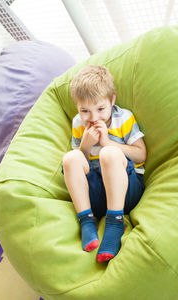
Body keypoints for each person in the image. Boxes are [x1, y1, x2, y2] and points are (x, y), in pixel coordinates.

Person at [62, 65, 147, 263]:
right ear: (77, 108)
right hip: (96, 198)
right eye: (85, 111)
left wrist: (108, 143)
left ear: (112, 100)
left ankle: (115, 223)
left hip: (126, 191)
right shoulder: (78, 124)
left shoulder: (123, 118)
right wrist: (85, 145)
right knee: (70, 158)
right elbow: (78, 165)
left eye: (100, 109)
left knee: (108, 153)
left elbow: (141, 154)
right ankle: (86, 220)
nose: (93, 118)